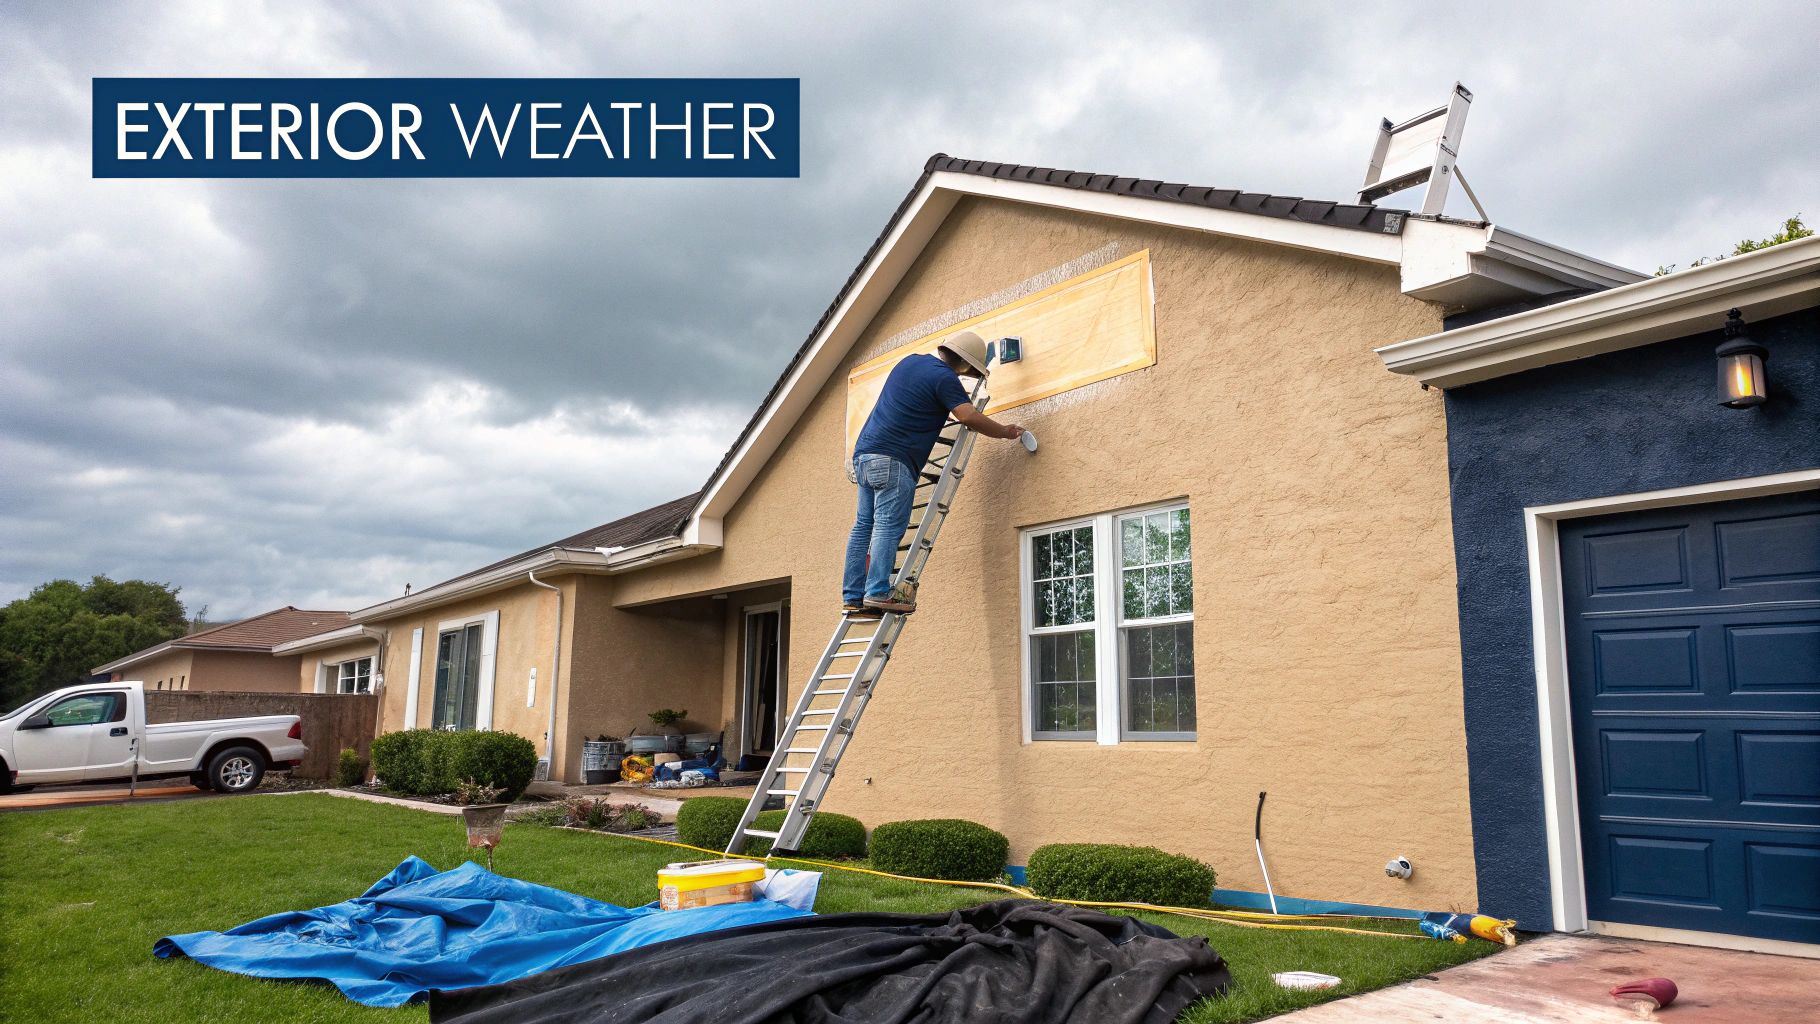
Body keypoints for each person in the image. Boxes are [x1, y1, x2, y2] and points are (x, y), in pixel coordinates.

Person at [842, 330, 1024, 615]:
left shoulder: (909, 362)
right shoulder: (945, 378)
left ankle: (853, 596)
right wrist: (1004, 432)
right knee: (888, 526)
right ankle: (877, 592)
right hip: (894, 459)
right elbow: (966, 415)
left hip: (865, 456)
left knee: (864, 526)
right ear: (964, 365)